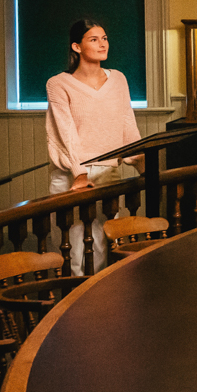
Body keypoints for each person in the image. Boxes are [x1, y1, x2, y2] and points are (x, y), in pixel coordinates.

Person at [45, 18, 141, 274]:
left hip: (109, 173)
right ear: (76, 47)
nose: (103, 44)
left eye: (105, 38)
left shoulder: (118, 79)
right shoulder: (58, 84)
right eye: (94, 39)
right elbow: (64, 133)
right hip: (73, 176)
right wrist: (79, 173)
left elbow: (127, 122)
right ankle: (75, 310)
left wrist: (141, 160)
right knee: (76, 251)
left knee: (106, 244)